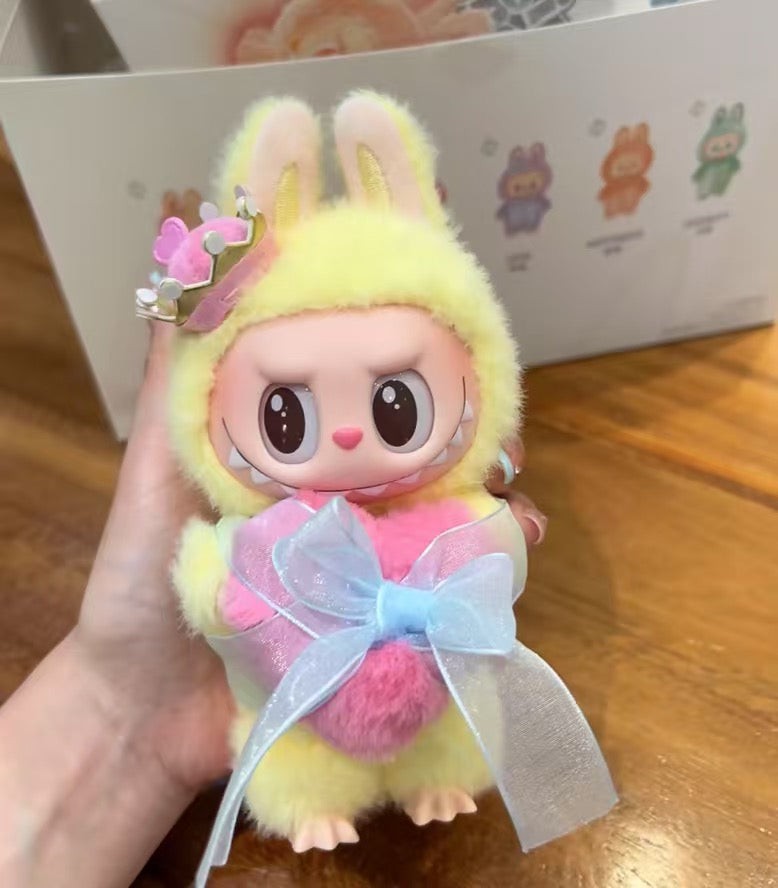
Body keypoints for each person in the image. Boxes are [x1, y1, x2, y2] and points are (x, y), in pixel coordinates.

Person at [0, 325, 546, 888]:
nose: (349, 434)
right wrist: (218, 593)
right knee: (299, 749)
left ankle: (437, 776)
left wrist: (486, 541)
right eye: (287, 416)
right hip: (294, 709)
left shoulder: (448, 519)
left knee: (447, 727)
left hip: (432, 705)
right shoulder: (263, 540)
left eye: (396, 404)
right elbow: (211, 587)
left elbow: (495, 567)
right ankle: (311, 803)